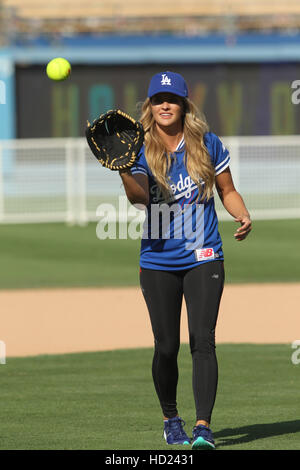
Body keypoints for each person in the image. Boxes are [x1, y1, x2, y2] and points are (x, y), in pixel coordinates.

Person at [118, 71, 252, 450]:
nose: (165, 105)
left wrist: (242, 214)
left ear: (184, 105)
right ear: (149, 105)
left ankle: (203, 427)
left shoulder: (207, 143)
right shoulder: (140, 148)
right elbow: (139, 198)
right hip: (158, 259)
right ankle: (170, 419)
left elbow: (228, 189)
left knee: (203, 341)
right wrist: (125, 169)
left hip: (204, 254)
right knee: (165, 346)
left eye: (172, 99)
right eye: (158, 99)